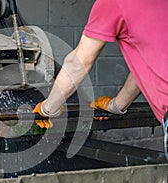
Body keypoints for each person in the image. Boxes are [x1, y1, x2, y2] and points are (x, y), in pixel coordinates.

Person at [33, 0, 168, 133]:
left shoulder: (113, 3)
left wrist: (47, 108)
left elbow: (78, 64)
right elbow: (146, 66)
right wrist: (116, 106)